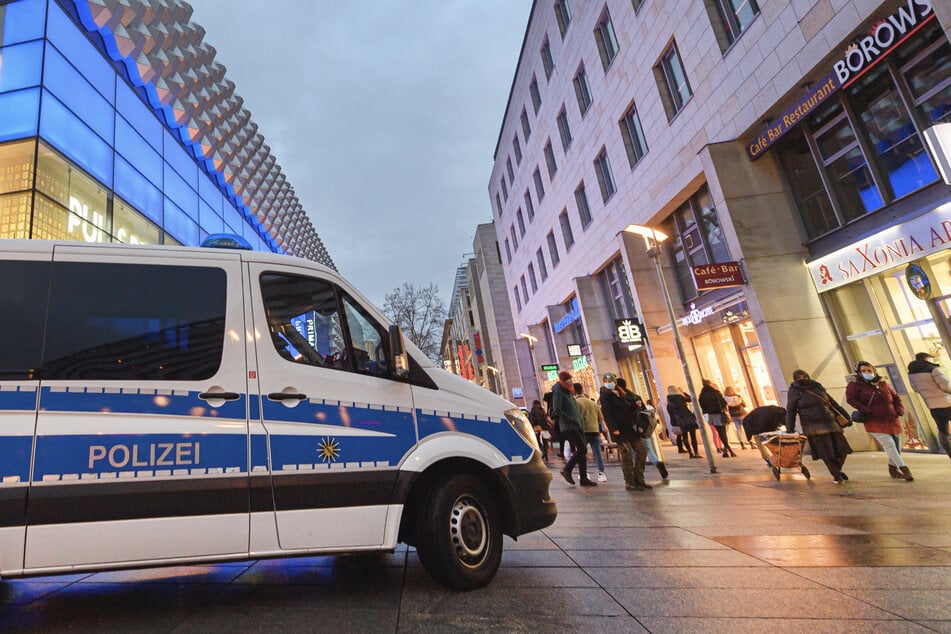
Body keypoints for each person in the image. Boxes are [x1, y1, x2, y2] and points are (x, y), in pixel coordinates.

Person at [846, 361, 913, 481]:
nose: (867, 373)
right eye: (864, 371)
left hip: (892, 418)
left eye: (869, 370)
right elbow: (851, 400)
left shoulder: (882, 384)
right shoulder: (854, 385)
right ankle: (904, 468)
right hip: (873, 420)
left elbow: (896, 398)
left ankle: (892, 469)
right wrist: (866, 410)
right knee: (889, 445)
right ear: (859, 373)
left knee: (897, 446)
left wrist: (899, 410)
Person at [785, 369, 852, 483]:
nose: (802, 379)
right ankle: (836, 475)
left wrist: (846, 417)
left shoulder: (817, 387)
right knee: (826, 452)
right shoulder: (794, 392)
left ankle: (837, 470)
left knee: (842, 449)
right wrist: (789, 428)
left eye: (804, 376)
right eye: (799, 378)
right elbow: (791, 411)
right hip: (813, 426)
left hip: (830, 422)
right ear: (795, 380)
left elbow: (832, 403)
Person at [599, 373, 650, 490]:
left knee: (642, 451)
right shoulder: (605, 395)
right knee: (626, 455)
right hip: (619, 430)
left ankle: (639, 478)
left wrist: (635, 405)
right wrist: (613, 429)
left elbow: (628, 408)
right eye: (606, 381)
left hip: (630, 428)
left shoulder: (622, 393)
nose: (608, 383)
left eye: (610, 380)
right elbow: (607, 414)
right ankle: (629, 481)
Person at [552, 370, 596, 486]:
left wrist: (580, 419)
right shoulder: (559, 392)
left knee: (582, 452)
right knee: (582, 449)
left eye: (570, 379)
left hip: (577, 424)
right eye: (567, 380)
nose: (570, 382)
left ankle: (583, 478)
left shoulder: (568, 392)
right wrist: (571, 418)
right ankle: (567, 469)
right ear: (562, 381)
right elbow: (556, 410)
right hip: (569, 425)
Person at [619, 379, 669, 480]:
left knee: (633, 450)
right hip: (642, 424)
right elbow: (644, 410)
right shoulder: (635, 396)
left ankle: (634, 471)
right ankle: (657, 463)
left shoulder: (622, 398)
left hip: (632, 426)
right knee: (647, 448)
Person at [906, 352, 951, 460]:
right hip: (947, 402)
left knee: (943, 431)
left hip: (933, 407)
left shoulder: (912, 374)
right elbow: (945, 385)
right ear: (927, 359)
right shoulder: (933, 369)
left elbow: (915, 389)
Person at [575, 382, 607, 482]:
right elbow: (600, 417)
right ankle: (601, 473)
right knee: (597, 452)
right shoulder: (592, 403)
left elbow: (576, 418)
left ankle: (584, 473)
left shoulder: (576, 403)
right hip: (594, 430)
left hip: (583, 431)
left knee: (582, 453)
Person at [699, 379, 735, 457]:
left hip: (711, 416)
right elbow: (724, 403)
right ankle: (727, 449)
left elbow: (702, 406)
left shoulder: (702, 395)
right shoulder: (716, 393)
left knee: (719, 432)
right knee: (723, 432)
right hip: (719, 414)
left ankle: (726, 449)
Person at [666, 386, 700, 458]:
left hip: (679, 420)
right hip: (687, 417)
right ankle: (696, 452)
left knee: (684, 437)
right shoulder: (680, 397)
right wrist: (683, 392)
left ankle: (690, 452)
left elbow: (670, 413)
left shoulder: (669, 402)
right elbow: (691, 399)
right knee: (693, 436)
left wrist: (674, 422)